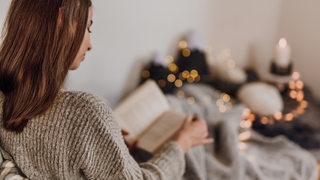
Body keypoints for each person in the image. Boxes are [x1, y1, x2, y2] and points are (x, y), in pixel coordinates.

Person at [0, 0, 213, 179]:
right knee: (190, 106)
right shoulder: (85, 111)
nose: (90, 44)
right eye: (87, 27)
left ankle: (175, 71)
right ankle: (190, 68)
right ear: (61, 20)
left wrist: (106, 146)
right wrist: (182, 143)